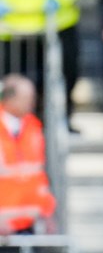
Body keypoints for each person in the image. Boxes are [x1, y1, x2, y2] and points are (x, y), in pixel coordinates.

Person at [0, 74, 56, 234]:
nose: (32, 102)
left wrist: (46, 212)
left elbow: (38, 175)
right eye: (26, 97)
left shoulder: (33, 127)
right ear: (9, 98)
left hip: (29, 221)